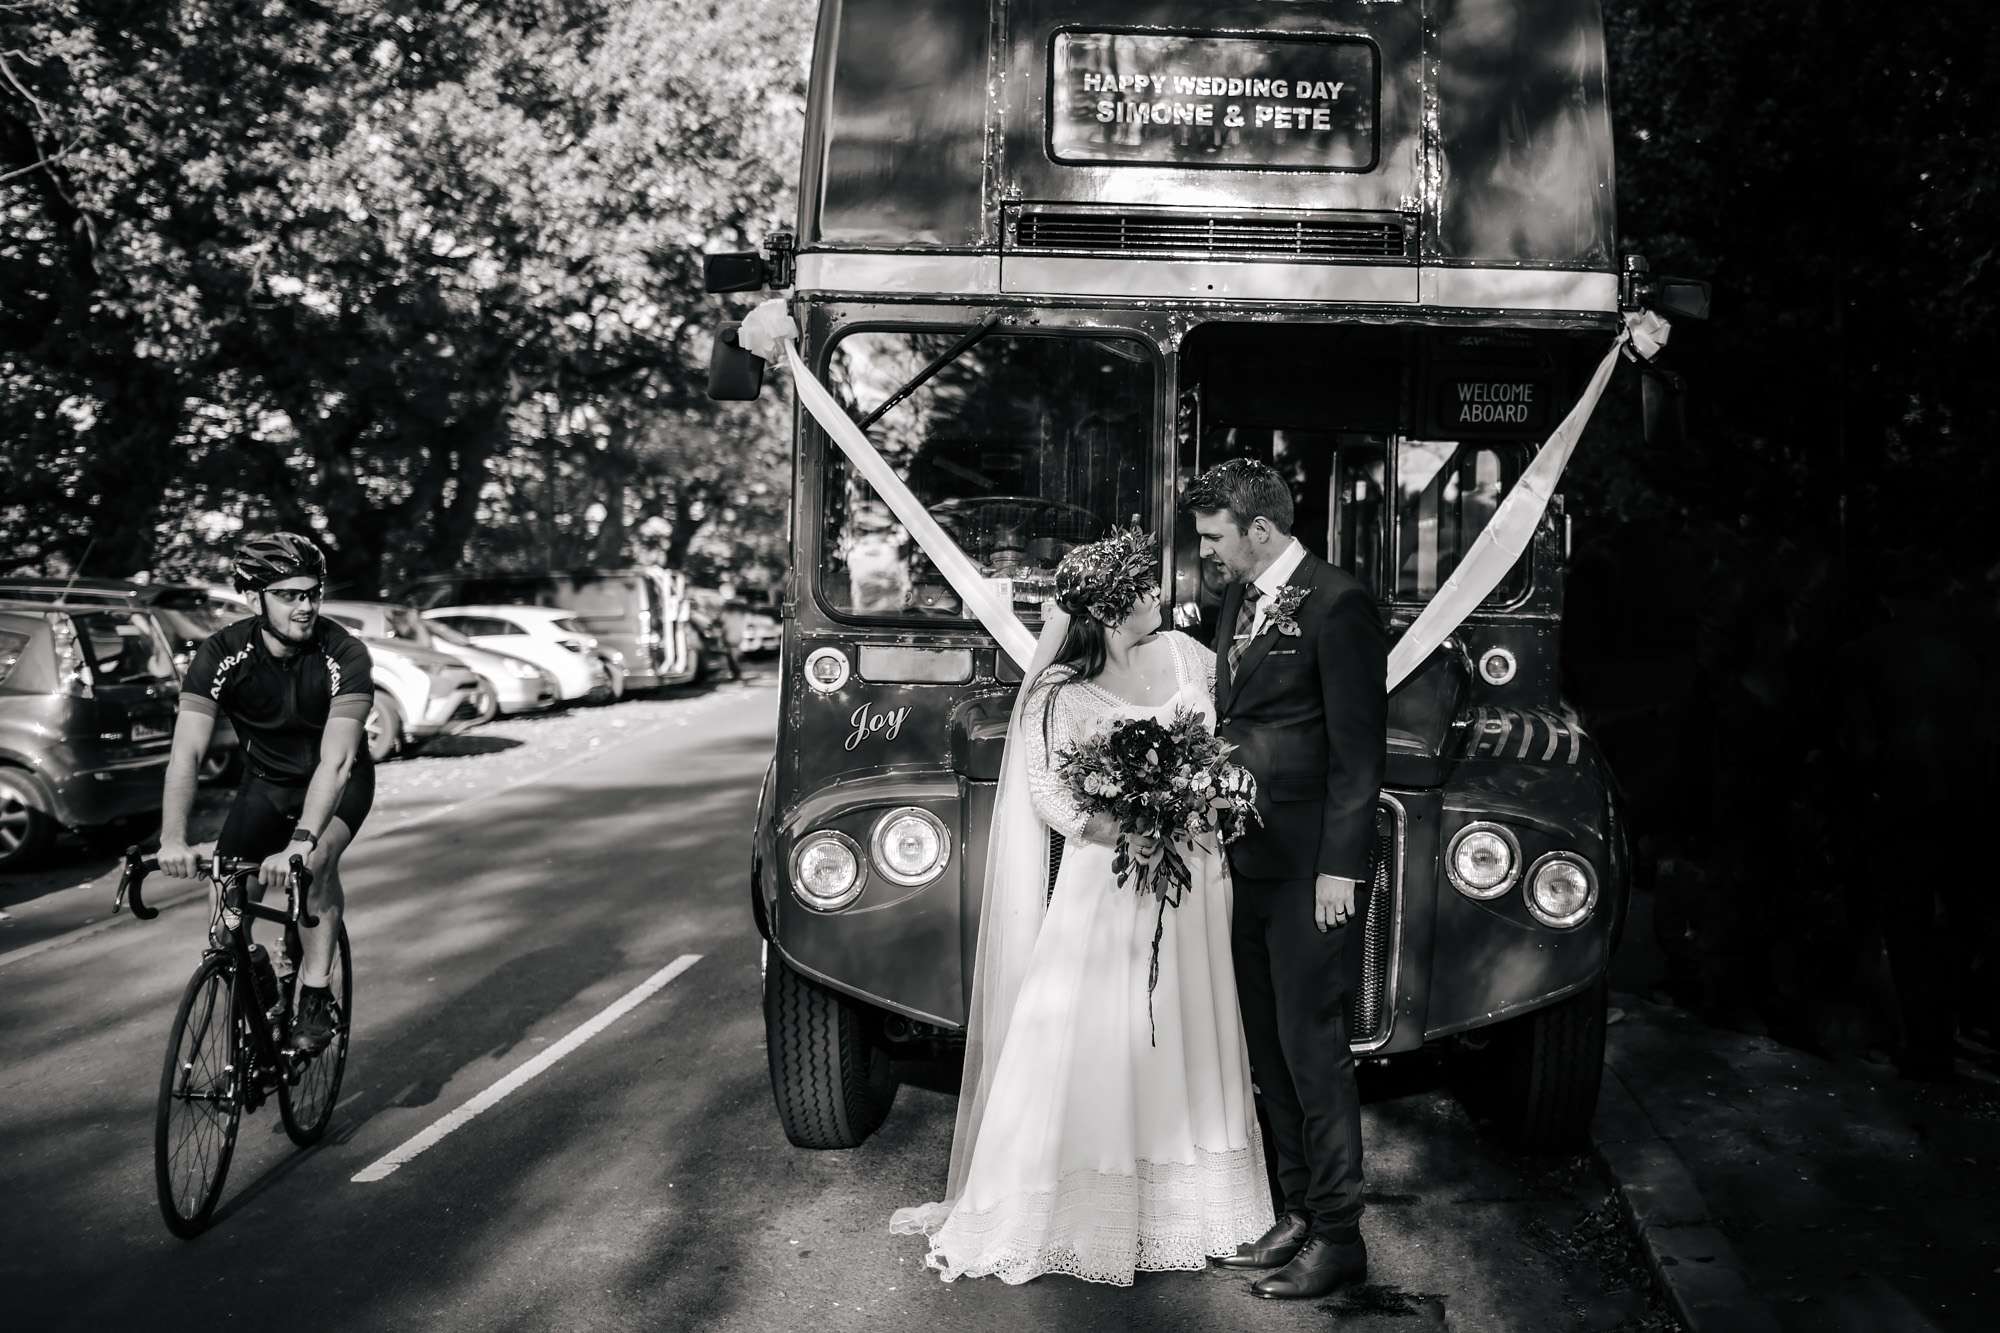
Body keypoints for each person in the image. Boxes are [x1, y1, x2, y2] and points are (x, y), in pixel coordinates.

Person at [890, 528, 1273, 1285]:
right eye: (1143, 588)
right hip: (1110, 883)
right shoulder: (1056, 698)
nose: (1158, 597)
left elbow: (1228, 741)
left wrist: (1201, 800)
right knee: (1099, 1031)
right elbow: (1052, 800)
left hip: (1195, 877)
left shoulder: (1188, 658)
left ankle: (1200, 1206)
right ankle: (1082, 1201)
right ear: (1109, 607)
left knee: (1189, 1022)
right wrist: (1135, 824)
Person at [1182, 458, 1388, 1299]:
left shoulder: (1339, 604)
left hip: (1311, 871)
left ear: (1258, 529)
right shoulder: (1239, 598)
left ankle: (1340, 1237)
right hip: (1248, 862)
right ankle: (1297, 1211)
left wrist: (1340, 867)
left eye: (1212, 536)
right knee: (1268, 1050)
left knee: (1314, 1053)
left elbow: (1358, 750)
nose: (1205, 553)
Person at [156, 532, 374, 1053]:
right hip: (266, 785)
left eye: (312, 593)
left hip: (339, 783)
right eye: (289, 595)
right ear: (254, 599)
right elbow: (185, 752)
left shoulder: (344, 653)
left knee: (316, 863)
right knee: (226, 906)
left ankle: (316, 993)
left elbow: (338, 759)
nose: (305, 607)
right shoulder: (221, 654)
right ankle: (254, 971)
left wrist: (300, 842)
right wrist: (172, 838)